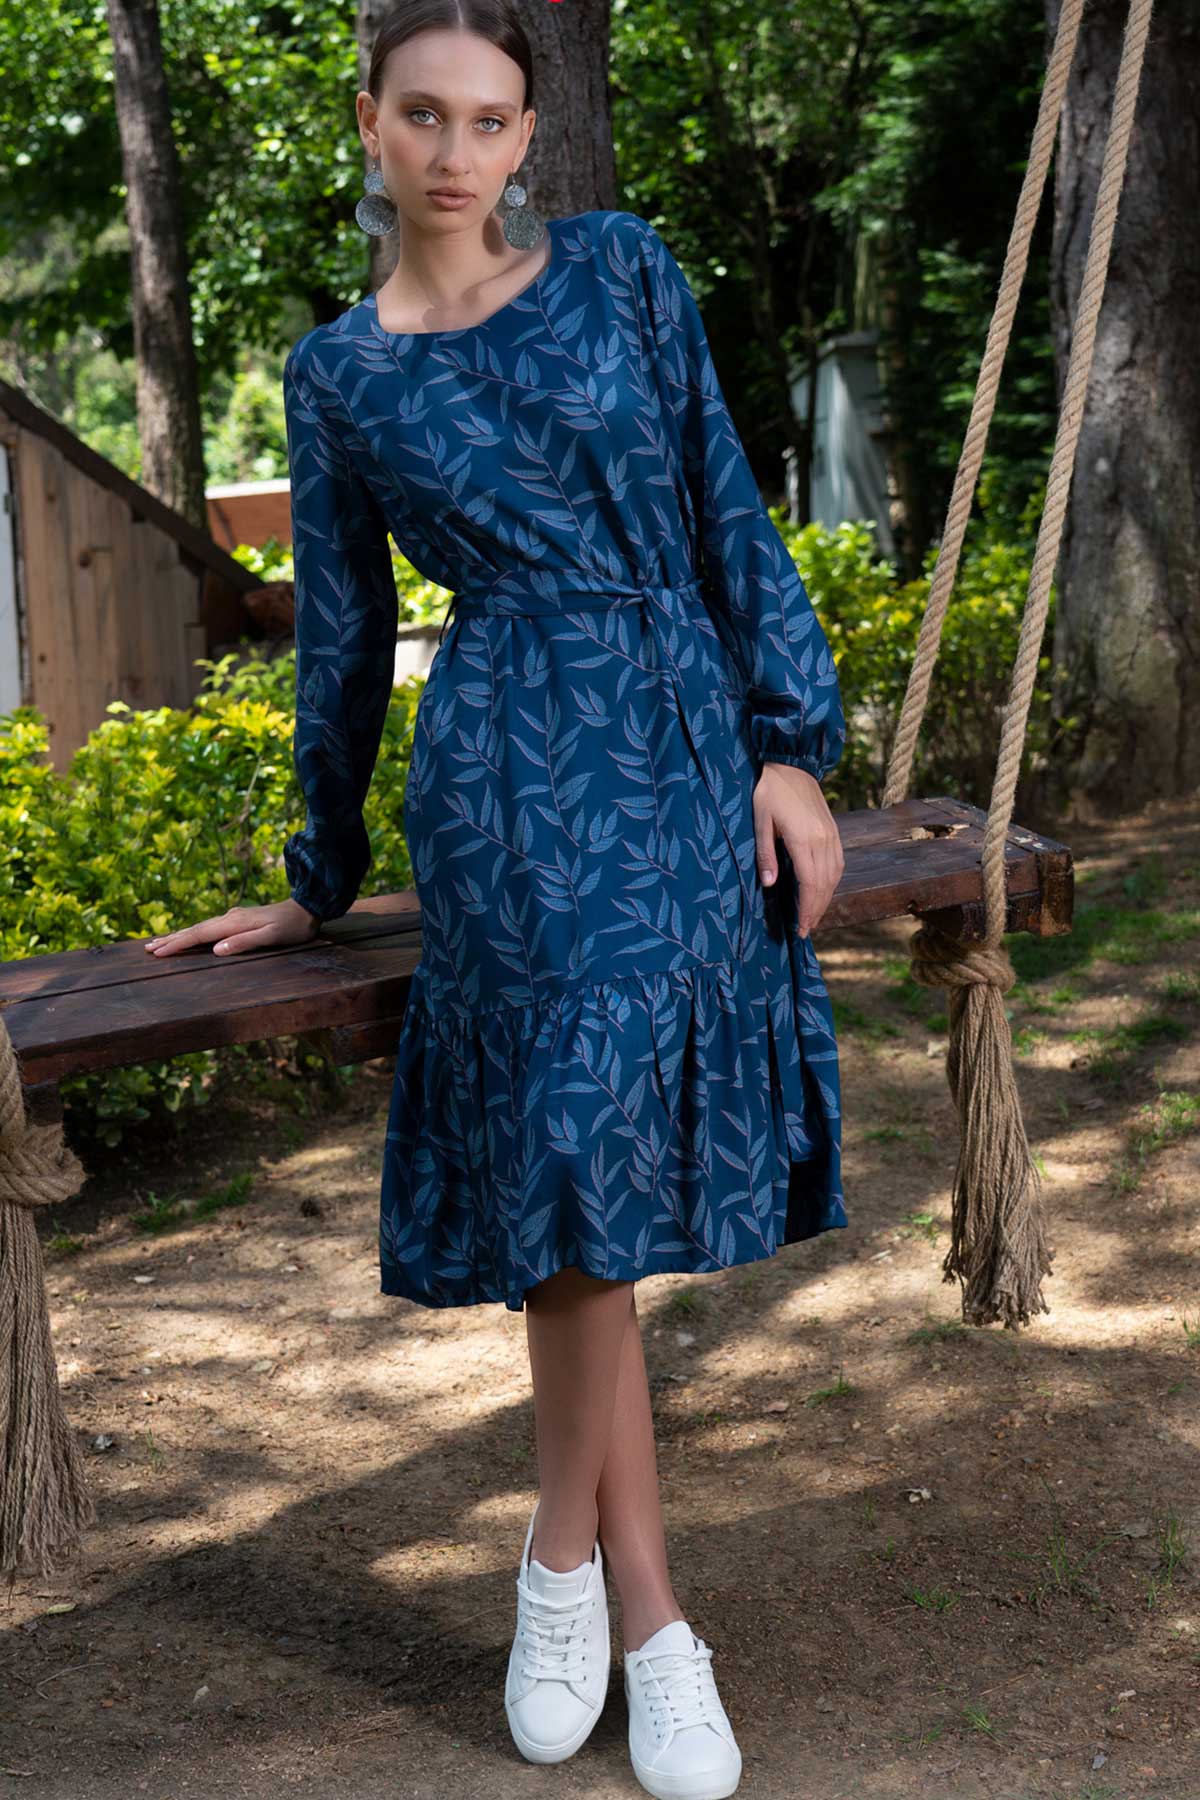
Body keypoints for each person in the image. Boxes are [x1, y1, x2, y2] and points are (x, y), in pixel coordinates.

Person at [145, 4, 848, 1795]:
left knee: (591, 1175)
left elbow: (723, 502)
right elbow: (343, 636)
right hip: (508, 779)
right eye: (423, 115)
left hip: (676, 743)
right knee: (575, 1162)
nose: (456, 152)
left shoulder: (623, 271)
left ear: (528, 137)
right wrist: (313, 880)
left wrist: (787, 745)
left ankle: (566, 1564)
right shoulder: (339, 374)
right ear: (368, 126)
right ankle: (649, 1621)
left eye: (489, 120)